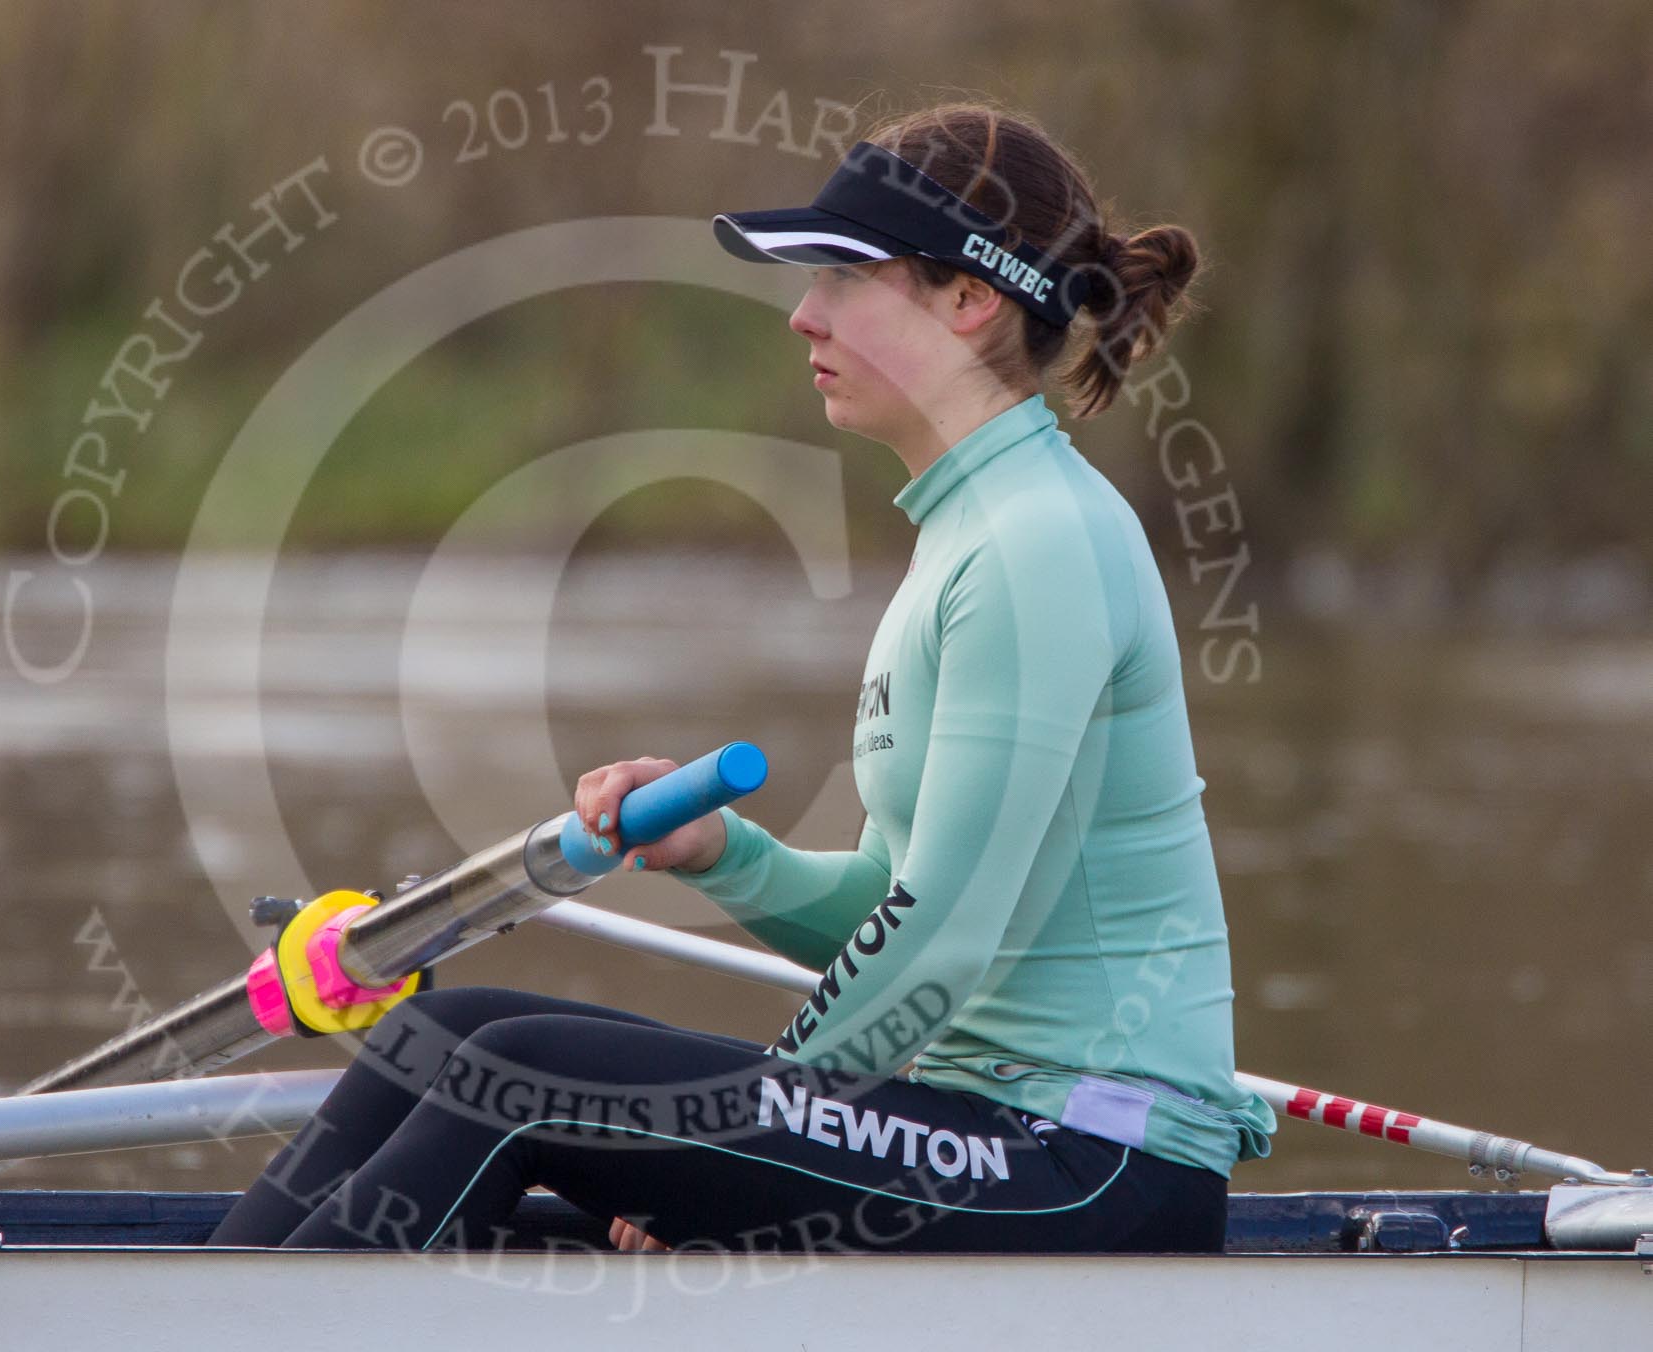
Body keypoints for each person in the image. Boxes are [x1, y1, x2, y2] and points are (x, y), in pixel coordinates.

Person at [209, 102, 1275, 1254]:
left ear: (971, 300)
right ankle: (208, 1304)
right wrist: (728, 856)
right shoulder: (975, 533)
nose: (804, 316)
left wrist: (727, 1133)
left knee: (511, 1073)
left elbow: (944, 938)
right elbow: (893, 900)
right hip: (991, 1131)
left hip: (1094, 1163)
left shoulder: (1035, 546)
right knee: (458, 1030)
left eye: (843, 278)